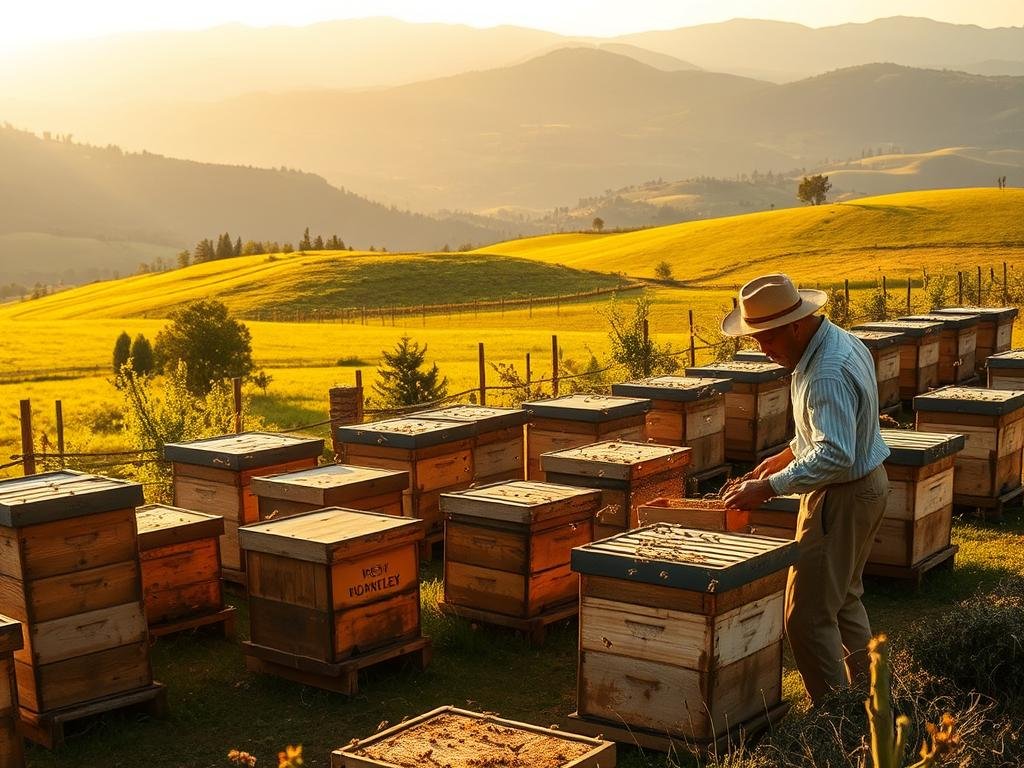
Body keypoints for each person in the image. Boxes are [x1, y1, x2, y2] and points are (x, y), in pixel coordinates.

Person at [721, 273, 890, 704]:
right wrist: (784, 457)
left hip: (842, 496)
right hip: (868, 487)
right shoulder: (840, 342)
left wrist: (771, 487)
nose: (763, 349)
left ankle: (836, 721)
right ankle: (874, 704)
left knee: (807, 619)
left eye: (768, 338)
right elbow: (832, 427)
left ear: (796, 324)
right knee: (845, 601)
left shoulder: (823, 373)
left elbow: (835, 454)